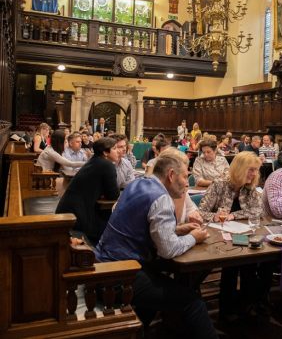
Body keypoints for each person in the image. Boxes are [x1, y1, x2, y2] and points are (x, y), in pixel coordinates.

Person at [95, 149, 217, 339]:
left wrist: (178, 230)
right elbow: (168, 250)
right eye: (185, 176)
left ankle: (139, 332)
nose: (187, 183)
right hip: (120, 277)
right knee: (193, 302)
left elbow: (138, 225)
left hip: (104, 263)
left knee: (163, 287)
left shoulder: (137, 183)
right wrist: (195, 237)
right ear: (171, 175)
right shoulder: (161, 198)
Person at [198, 151, 264, 320]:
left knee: (251, 263)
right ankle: (227, 309)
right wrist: (216, 216)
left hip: (240, 233)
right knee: (232, 265)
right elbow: (200, 212)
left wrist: (234, 215)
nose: (254, 174)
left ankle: (248, 306)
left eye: (256, 170)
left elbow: (258, 209)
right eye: (250, 170)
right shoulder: (219, 183)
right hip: (217, 236)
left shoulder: (249, 186)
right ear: (239, 169)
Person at [56, 137, 120, 245]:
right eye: (114, 148)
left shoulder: (95, 161)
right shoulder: (106, 165)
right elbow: (113, 195)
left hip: (68, 209)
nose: (118, 151)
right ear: (105, 152)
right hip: (77, 217)